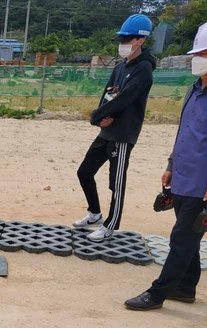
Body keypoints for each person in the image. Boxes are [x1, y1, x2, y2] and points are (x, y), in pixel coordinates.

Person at [125, 18, 207, 311]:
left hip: (204, 183)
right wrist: (170, 163)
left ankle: (158, 293)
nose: (197, 60)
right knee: (187, 236)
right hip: (181, 175)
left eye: (203, 55)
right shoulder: (195, 87)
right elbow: (186, 130)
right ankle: (185, 287)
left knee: (181, 239)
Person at [73, 14, 156, 242]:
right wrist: (101, 116)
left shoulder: (144, 69)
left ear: (140, 40)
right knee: (84, 172)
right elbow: (109, 93)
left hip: (123, 133)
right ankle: (94, 214)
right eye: (121, 39)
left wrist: (97, 116)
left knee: (116, 183)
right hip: (106, 130)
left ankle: (110, 226)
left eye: (127, 39)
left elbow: (126, 98)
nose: (123, 44)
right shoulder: (121, 67)